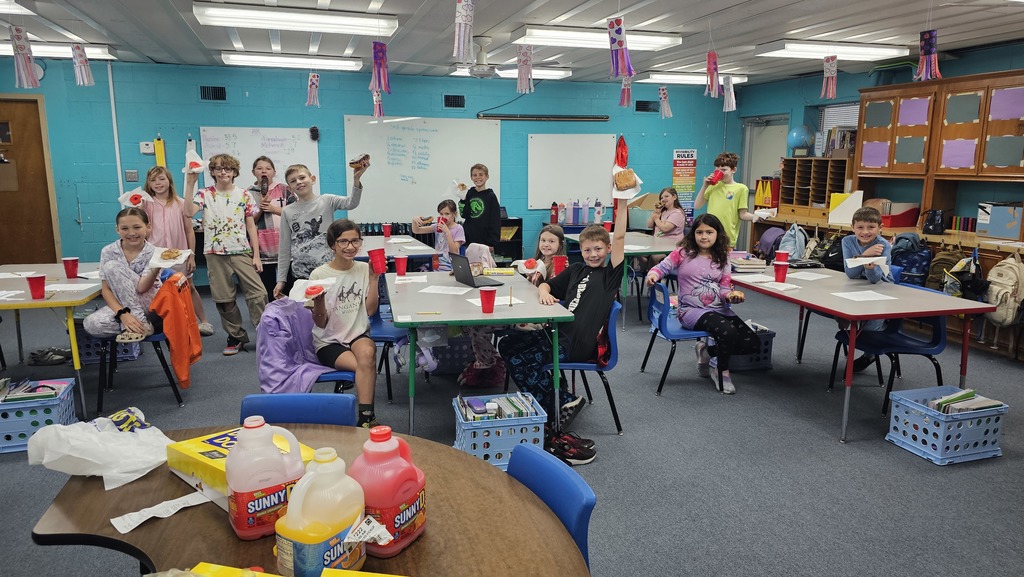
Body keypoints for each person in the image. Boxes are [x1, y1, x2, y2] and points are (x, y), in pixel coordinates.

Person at [496, 200, 629, 466]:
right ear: (580, 249)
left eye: (599, 249)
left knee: (527, 361)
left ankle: (550, 408)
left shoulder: (610, 275)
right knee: (507, 345)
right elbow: (546, 285)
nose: (593, 254)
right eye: (587, 249)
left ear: (609, 249)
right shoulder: (577, 269)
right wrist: (545, 295)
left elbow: (621, 235)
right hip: (557, 332)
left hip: (575, 344)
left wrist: (622, 202)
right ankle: (561, 399)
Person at [644, 213, 761, 395]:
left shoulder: (723, 257)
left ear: (717, 234)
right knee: (728, 333)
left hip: (718, 309)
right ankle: (721, 371)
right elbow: (662, 267)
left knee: (752, 343)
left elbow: (723, 288)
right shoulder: (683, 253)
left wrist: (730, 296)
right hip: (691, 311)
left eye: (709, 232)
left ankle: (706, 353)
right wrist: (653, 275)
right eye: (699, 232)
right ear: (693, 234)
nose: (704, 236)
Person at [459, 225, 567, 387]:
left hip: (537, 320)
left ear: (561, 244)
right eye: (543, 240)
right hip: (526, 309)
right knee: (471, 322)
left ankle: (488, 364)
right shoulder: (539, 263)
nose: (546, 244)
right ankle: (490, 359)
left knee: (479, 325)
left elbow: (556, 291)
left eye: (552, 241)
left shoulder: (559, 266)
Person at [185, 153, 267, 355]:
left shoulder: (244, 195)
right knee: (224, 298)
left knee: (259, 294)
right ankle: (236, 337)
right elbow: (187, 212)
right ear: (212, 172)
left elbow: (251, 227)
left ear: (234, 172)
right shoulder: (204, 194)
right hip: (214, 253)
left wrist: (256, 255)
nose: (223, 172)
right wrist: (190, 183)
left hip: (241, 250)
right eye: (219, 168)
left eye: (228, 168)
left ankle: (266, 336)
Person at [308, 219, 380, 428]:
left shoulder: (363, 269)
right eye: (343, 242)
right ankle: (368, 415)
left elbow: (370, 310)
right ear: (333, 245)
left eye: (355, 241)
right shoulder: (319, 274)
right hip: (328, 341)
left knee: (367, 355)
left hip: (357, 333)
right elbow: (320, 323)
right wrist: (319, 302)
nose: (350, 247)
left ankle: (365, 419)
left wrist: (374, 280)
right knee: (364, 367)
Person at [273, 161, 367, 299]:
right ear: (290, 188)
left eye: (302, 177)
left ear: (313, 179)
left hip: (328, 270)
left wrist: (356, 180)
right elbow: (284, 247)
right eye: (293, 181)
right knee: (306, 311)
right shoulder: (287, 211)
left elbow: (352, 203)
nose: (298, 182)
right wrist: (281, 280)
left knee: (330, 307)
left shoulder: (327, 200)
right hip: (301, 273)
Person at [141, 166, 215, 337]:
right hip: (155, 256)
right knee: (157, 290)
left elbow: (189, 230)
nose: (158, 183)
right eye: (153, 180)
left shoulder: (181, 203)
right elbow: (142, 230)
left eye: (161, 179)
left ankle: (203, 321)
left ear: (169, 181)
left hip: (179, 254)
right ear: (148, 184)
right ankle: (165, 324)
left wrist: (191, 256)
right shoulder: (146, 204)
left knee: (189, 287)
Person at [83, 207, 162, 341]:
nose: (131, 233)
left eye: (137, 227)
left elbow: (142, 288)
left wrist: (157, 266)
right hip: (123, 305)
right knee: (92, 324)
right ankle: (141, 327)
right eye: (124, 228)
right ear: (117, 229)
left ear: (148, 227)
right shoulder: (108, 251)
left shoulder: (155, 252)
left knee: (112, 266)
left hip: (150, 303)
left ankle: (141, 323)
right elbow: (106, 290)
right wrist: (122, 314)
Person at [842, 206, 894, 372]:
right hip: (857, 285)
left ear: (880, 228)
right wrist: (864, 256)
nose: (865, 232)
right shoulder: (847, 241)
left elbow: (875, 279)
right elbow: (850, 273)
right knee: (843, 317)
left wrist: (868, 266)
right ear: (853, 228)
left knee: (870, 332)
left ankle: (869, 355)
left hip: (882, 287)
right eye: (860, 227)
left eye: (871, 227)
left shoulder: (883, 245)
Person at [247, 156, 296, 299]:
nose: (264, 171)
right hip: (262, 248)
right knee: (267, 288)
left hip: (285, 245)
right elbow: (249, 221)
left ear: (273, 172)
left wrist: (273, 208)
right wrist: (262, 208)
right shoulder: (248, 193)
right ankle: (271, 317)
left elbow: (295, 214)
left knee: (288, 286)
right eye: (260, 168)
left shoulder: (285, 190)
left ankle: (290, 316)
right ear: (253, 172)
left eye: (268, 168)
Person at [693, 152, 760, 249]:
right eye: (717, 170)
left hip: (727, 236)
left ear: (733, 170)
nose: (720, 173)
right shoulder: (713, 186)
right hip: (710, 234)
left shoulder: (741, 188)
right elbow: (697, 205)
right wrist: (705, 185)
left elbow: (742, 214)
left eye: (724, 170)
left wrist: (755, 217)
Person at [638, 187, 687, 269]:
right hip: (658, 244)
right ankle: (649, 270)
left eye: (666, 196)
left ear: (674, 197)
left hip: (671, 246)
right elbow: (649, 225)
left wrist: (656, 218)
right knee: (638, 253)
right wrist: (656, 212)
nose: (663, 199)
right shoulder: (663, 211)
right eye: (661, 198)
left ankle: (656, 275)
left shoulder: (677, 213)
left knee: (655, 257)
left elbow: (665, 228)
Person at [411, 199, 465, 271]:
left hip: (450, 265)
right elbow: (416, 231)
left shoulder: (458, 228)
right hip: (435, 263)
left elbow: (454, 251)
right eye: (441, 214)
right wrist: (414, 221)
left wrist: (447, 232)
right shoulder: (437, 226)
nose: (444, 217)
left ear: (454, 214)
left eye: (447, 214)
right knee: (419, 271)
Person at [458, 163, 501, 249]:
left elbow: (495, 221)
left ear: (487, 177)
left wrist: (492, 242)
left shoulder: (491, 196)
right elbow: (464, 215)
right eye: (475, 175)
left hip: (485, 241)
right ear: (471, 178)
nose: (478, 177)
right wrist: (463, 199)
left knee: (484, 262)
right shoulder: (469, 193)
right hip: (468, 239)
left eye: (481, 174)